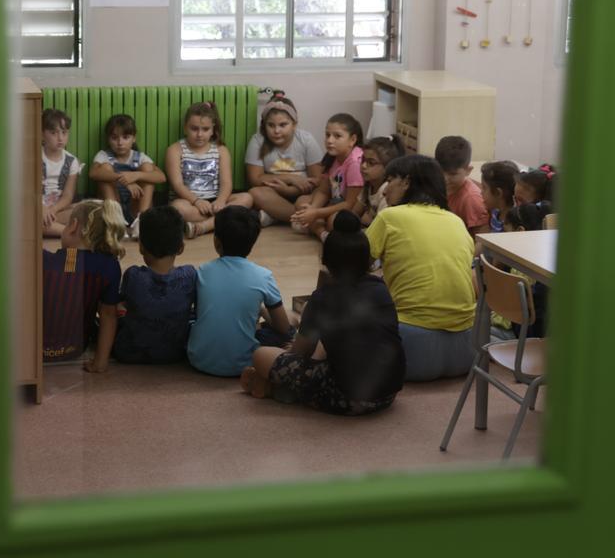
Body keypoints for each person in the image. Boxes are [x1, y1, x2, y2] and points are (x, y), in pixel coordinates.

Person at [240, 211, 405, 415]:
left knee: (261, 355)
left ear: (326, 260)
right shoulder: (380, 288)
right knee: (328, 347)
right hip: (388, 393)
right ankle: (279, 390)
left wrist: (292, 350)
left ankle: (276, 388)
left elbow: (300, 353)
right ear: (367, 260)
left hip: (348, 397)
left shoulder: (322, 298)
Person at [366, 155, 477, 382]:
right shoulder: (455, 221)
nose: (384, 191)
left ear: (406, 182)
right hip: (466, 351)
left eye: (390, 180)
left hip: (411, 349)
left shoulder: (389, 217)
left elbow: (351, 268)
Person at [187, 206, 290, 377]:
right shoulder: (263, 276)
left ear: (216, 241)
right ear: (252, 242)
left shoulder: (203, 271)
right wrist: (261, 310)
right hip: (244, 364)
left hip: (198, 360)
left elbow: (200, 312)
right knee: (289, 331)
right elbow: (283, 327)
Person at [41, 199, 126, 372]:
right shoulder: (110, 266)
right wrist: (100, 363)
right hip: (75, 349)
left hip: (32, 349)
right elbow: (108, 315)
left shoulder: (44, 260)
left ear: (72, 226)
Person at [111, 206, 198, 364]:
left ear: (141, 247)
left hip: (129, 352)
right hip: (176, 353)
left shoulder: (133, 275)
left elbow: (122, 305)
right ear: (181, 248)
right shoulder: (189, 275)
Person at [165, 101, 252, 239]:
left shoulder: (221, 150)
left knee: (246, 198)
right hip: (188, 202)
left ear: (213, 129)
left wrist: (221, 201)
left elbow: (226, 183)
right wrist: (197, 201)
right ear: (185, 128)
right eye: (194, 129)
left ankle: (202, 227)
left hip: (216, 202)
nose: (199, 134)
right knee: (177, 208)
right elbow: (177, 185)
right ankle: (223, 220)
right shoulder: (175, 150)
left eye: (205, 129)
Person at [244, 92, 324, 228]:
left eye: (283, 125)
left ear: (294, 124)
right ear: (264, 125)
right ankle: (302, 219)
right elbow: (255, 179)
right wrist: (290, 179)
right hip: (274, 193)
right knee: (255, 193)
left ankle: (277, 216)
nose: (276, 131)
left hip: (302, 192)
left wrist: (290, 190)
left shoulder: (306, 140)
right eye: (271, 125)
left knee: (308, 199)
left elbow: (318, 179)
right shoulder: (257, 140)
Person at [89, 113, 166, 238]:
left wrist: (136, 175)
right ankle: (116, 222)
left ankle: (141, 221)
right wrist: (124, 179)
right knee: (105, 169)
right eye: (114, 138)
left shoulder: (139, 157)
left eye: (125, 137)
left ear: (133, 138)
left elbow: (161, 177)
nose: (120, 143)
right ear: (108, 139)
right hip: (112, 206)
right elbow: (93, 173)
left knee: (147, 169)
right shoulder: (103, 155)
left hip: (134, 207)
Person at [291, 113, 364, 241]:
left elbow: (350, 203)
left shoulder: (355, 163)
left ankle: (317, 229)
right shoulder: (333, 156)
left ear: (352, 140)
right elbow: (323, 191)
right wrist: (312, 209)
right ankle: (323, 235)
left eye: (337, 136)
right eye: (327, 135)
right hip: (335, 202)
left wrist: (316, 213)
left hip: (350, 208)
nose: (330, 140)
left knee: (333, 222)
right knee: (302, 202)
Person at [503, 199, 555, 338]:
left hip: (521, 330)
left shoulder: (520, 263)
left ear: (520, 231)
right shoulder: (543, 253)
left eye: (505, 230)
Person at [435, 135, 489, 236]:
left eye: (453, 174)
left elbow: (482, 240)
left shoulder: (471, 199)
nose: (445, 178)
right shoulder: (435, 186)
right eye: (441, 171)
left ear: (468, 170)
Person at [41, 108, 82, 238]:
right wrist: (42, 208)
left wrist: (52, 210)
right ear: (42, 134)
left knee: (88, 209)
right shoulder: (34, 157)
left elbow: (68, 195)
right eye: (54, 133)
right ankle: (74, 235)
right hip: (35, 208)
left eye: (64, 133)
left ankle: (52, 227)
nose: (60, 138)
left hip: (58, 210)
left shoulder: (71, 161)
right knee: (31, 220)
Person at [353, 135, 404, 227]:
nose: (363, 166)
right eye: (363, 160)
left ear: (387, 167)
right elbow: (355, 213)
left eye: (371, 163)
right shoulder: (369, 185)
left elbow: (380, 228)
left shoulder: (385, 190)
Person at [479, 160, 520, 234]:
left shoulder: (512, 225)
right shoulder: (495, 212)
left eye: (484, 188)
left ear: (498, 193)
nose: (481, 192)